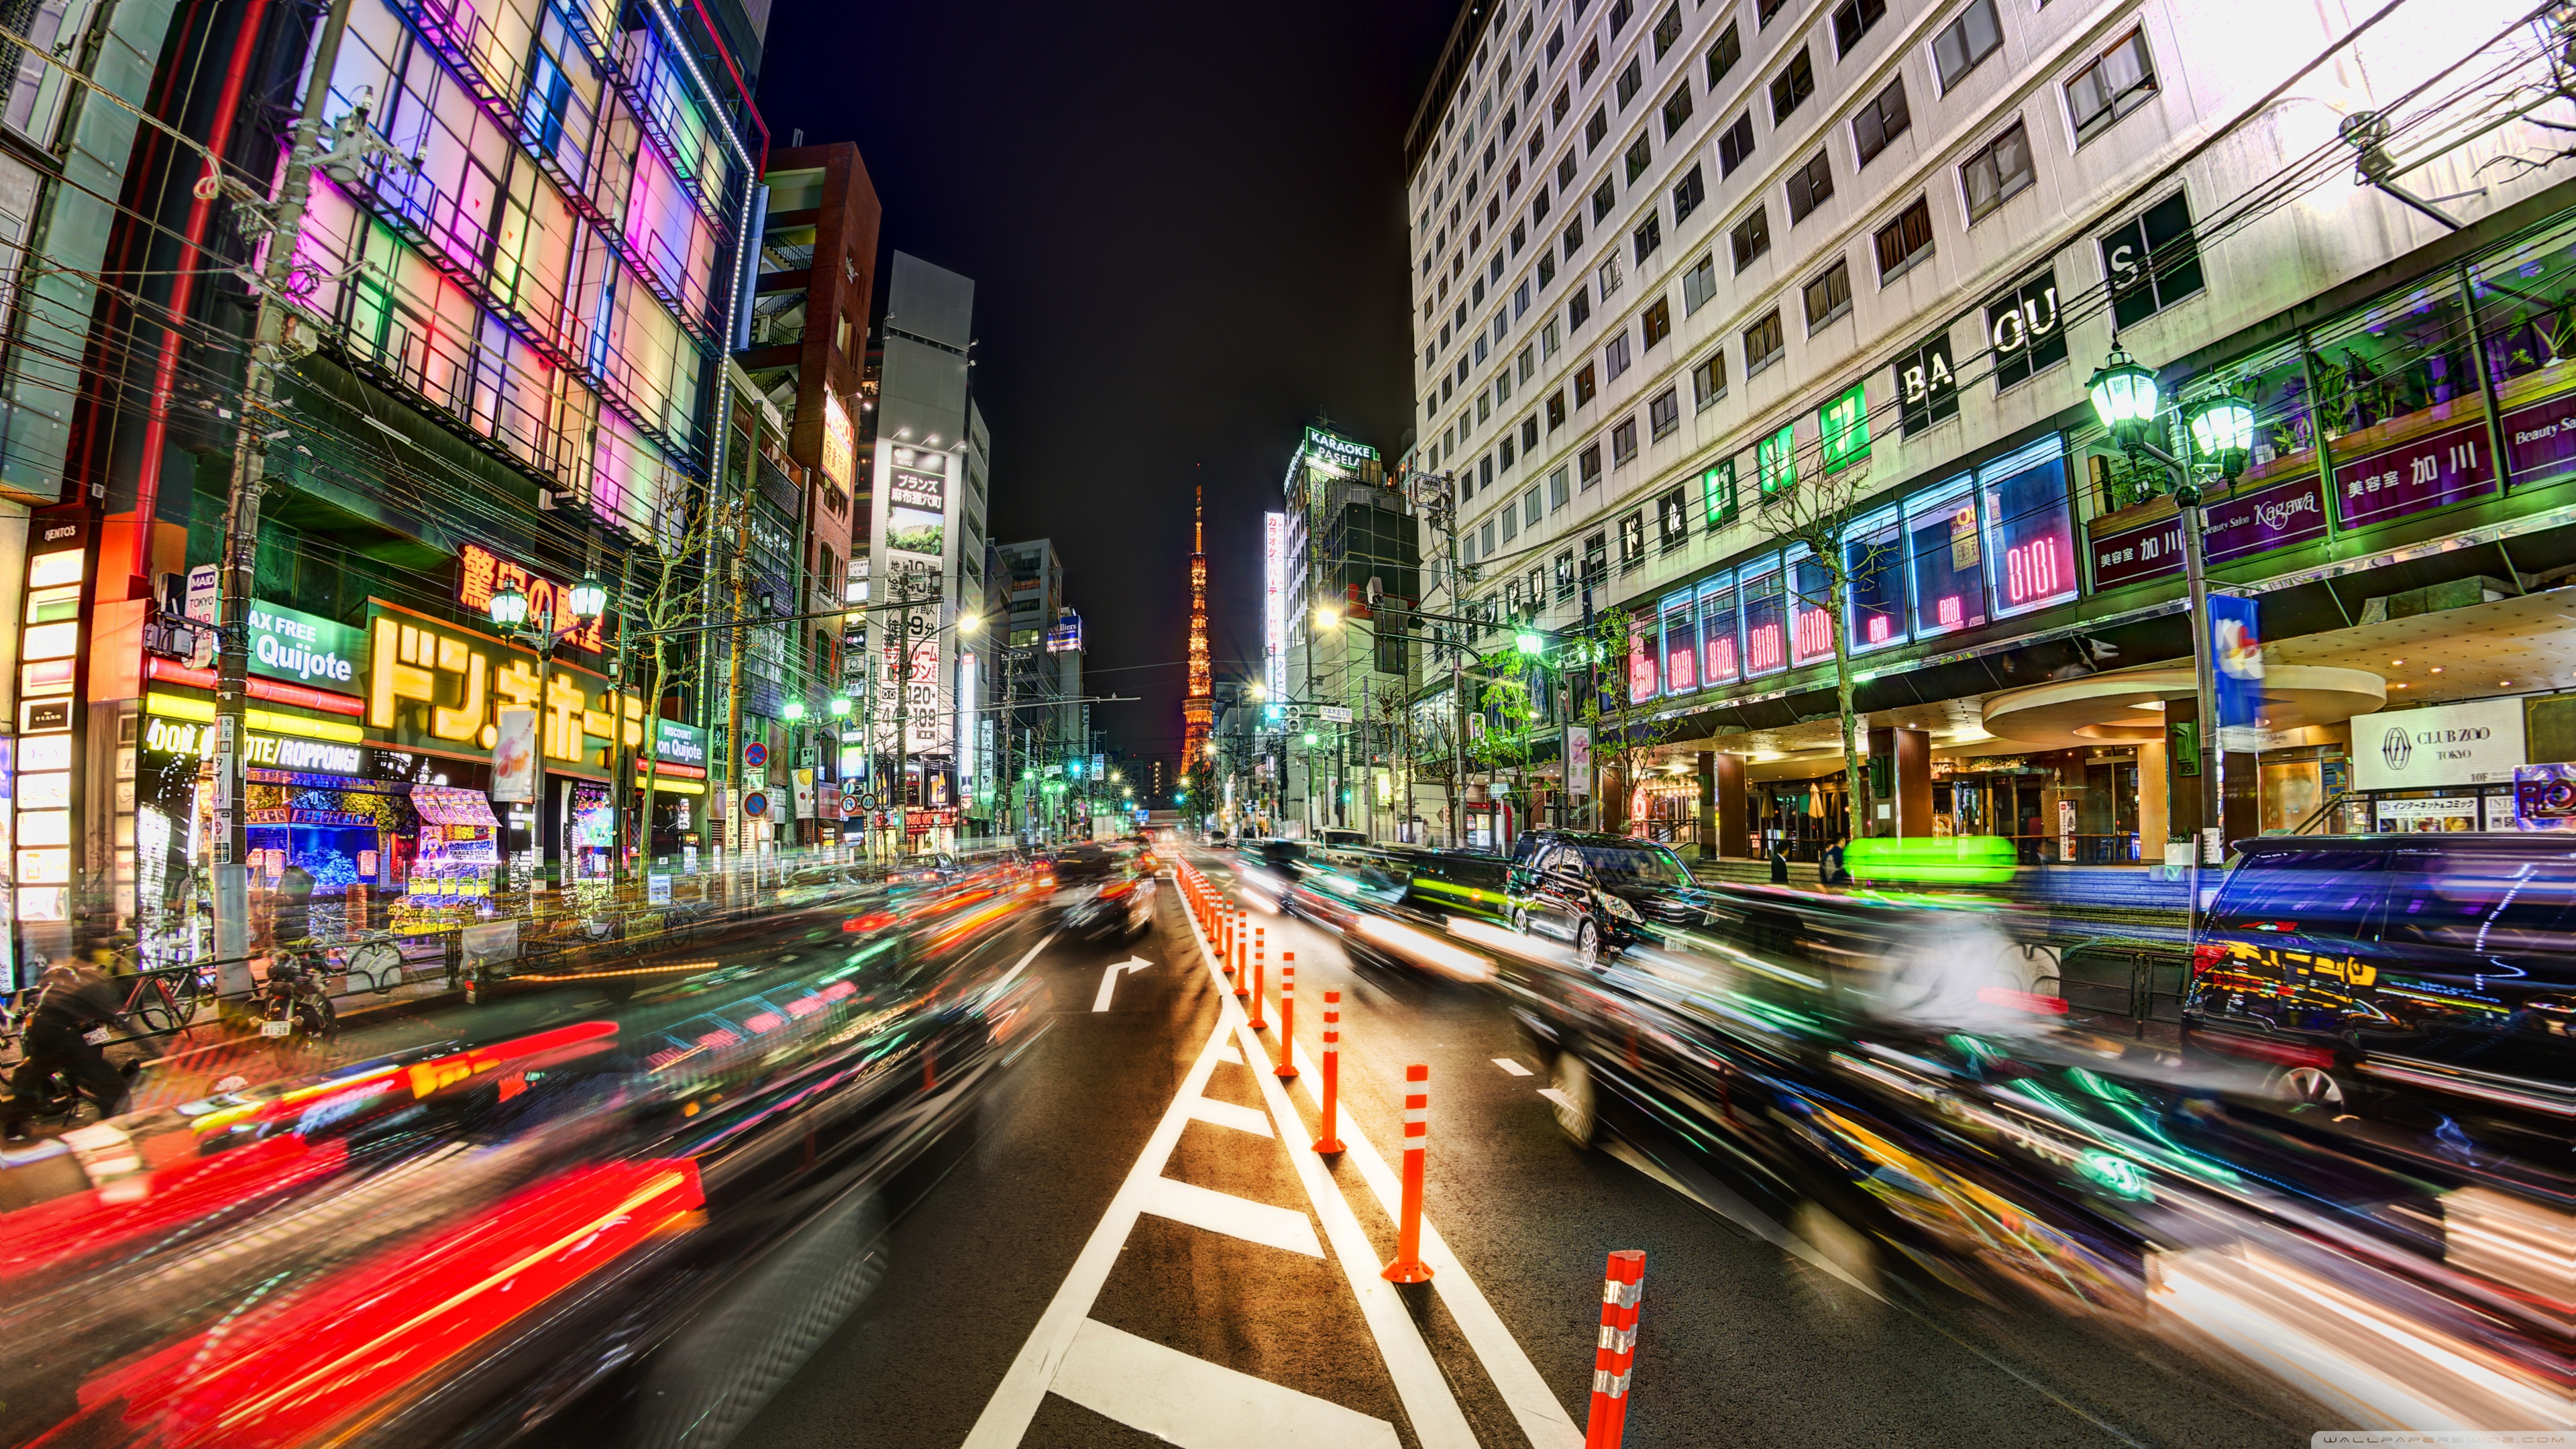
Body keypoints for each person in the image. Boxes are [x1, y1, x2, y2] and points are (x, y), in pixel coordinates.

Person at [2, 962, 131, 1138]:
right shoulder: (87, 990)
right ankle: (113, 1126)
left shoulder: (57, 989)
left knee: (33, 1077)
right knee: (109, 1079)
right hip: (60, 1035)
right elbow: (110, 1016)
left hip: (44, 1033)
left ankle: (13, 1128)